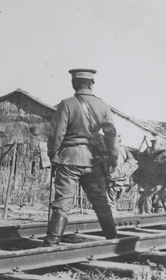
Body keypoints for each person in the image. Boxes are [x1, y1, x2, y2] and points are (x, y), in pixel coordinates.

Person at [44, 69, 119, 246]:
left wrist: (53, 155)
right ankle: (112, 239)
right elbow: (111, 137)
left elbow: (56, 135)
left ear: (73, 84)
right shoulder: (103, 106)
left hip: (68, 160)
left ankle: (52, 241)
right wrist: (113, 160)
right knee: (101, 202)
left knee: (63, 202)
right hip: (94, 161)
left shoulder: (66, 104)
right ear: (91, 84)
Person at [107, 135, 138, 213]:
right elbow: (132, 161)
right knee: (115, 200)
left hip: (115, 181)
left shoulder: (112, 150)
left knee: (111, 202)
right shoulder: (124, 150)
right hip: (121, 182)